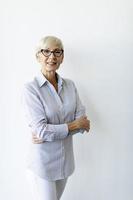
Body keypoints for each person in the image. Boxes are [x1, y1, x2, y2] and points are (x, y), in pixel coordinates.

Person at [22, 35, 90, 200]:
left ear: (62, 57)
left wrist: (50, 131)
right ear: (38, 56)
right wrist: (73, 125)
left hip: (65, 163)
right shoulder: (31, 89)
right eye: (46, 51)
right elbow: (42, 130)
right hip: (42, 165)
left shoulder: (70, 85)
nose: (52, 56)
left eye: (57, 52)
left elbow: (83, 124)